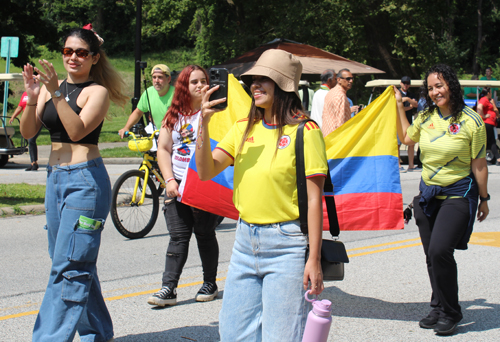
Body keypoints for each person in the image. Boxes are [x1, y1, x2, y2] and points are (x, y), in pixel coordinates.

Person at [196, 49, 328, 341]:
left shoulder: (306, 131)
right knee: (233, 335)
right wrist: (202, 125)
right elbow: (205, 171)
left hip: (288, 246)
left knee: (280, 337)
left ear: (284, 86)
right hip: (245, 243)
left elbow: (315, 201)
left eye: (264, 79)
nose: (255, 85)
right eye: (253, 79)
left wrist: (314, 258)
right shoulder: (243, 128)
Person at [20, 25, 128, 342]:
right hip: (55, 181)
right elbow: (28, 133)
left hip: (85, 182)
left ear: (94, 58)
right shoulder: (49, 89)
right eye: (68, 51)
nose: (73, 58)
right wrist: (31, 94)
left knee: (69, 265)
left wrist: (54, 92)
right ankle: (97, 332)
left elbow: (77, 130)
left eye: (81, 52)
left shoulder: (97, 92)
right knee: (70, 260)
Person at [395, 64, 489, 336]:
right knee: (431, 256)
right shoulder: (425, 116)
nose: (435, 91)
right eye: (431, 87)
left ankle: (451, 311)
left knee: (439, 251)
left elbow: (479, 164)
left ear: (452, 85)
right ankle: (438, 305)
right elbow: (405, 139)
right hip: (428, 196)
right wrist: (400, 108)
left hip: (458, 194)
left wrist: (484, 198)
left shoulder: (472, 121)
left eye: (440, 85)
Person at [147, 65, 220, 307]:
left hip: (204, 184)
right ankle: (168, 289)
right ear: (184, 87)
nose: (200, 86)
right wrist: (169, 180)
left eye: (204, 81)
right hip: (178, 186)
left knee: (205, 234)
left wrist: (208, 117)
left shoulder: (217, 113)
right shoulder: (173, 116)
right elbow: (164, 150)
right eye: (194, 82)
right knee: (177, 237)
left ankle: (209, 282)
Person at [118, 64, 175, 138]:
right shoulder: (148, 92)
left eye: (160, 77)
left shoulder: (177, 94)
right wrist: (126, 127)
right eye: (154, 77)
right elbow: (138, 112)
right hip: (160, 134)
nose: (156, 81)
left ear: (169, 79)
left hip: (176, 135)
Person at [9, 91, 41, 171]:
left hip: (36, 119)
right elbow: (20, 107)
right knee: (30, 141)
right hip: (27, 120)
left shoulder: (38, 93)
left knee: (31, 140)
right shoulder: (24, 94)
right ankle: (33, 163)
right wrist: (13, 116)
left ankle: (34, 163)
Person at [322, 68, 358, 137]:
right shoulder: (341, 96)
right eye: (348, 79)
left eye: (352, 78)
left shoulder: (331, 92)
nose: (351, 81)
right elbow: (340, 124)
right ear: (339, 80)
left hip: (327, 135)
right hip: (336, 138)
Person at [398, 76, 418, 171]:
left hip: (409, 121)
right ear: (401, 83)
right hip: (398, 122)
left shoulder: (411, 94)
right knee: (397, 144)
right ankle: (398, 165)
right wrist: (408, 103)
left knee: (411, 143)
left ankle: (411, 165)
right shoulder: (397, 93)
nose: (405, 85)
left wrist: (407, 99)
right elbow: (396, 105)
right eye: (404, 83)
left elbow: (415, 104)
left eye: (407, 83)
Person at [476, 87, 500, 165]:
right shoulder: (484, 99)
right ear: (488, 93)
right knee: (486, 142)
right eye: (491, 93)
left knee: (492, 141)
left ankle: (498, 158)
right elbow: (479, 107)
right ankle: (479, 159)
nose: (491, 94)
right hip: (486, 123)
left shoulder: (489, 101)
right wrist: (484, 115)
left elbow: (496, 112)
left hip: (491, 124)